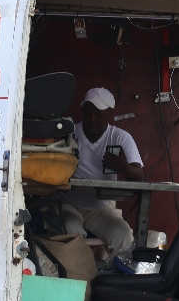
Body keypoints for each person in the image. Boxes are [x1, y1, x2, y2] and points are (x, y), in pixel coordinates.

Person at [61, 88, 144, 256]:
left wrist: (124, 167)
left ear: (110, 113)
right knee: (71, 235)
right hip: (69, 204)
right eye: (88, 112)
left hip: (101, 208)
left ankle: (114, 280)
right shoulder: (69, 133)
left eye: (99, 114)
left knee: (123, 235)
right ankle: (80, 278)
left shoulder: (120, 137)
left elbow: (139, 175)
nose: (92, 118)